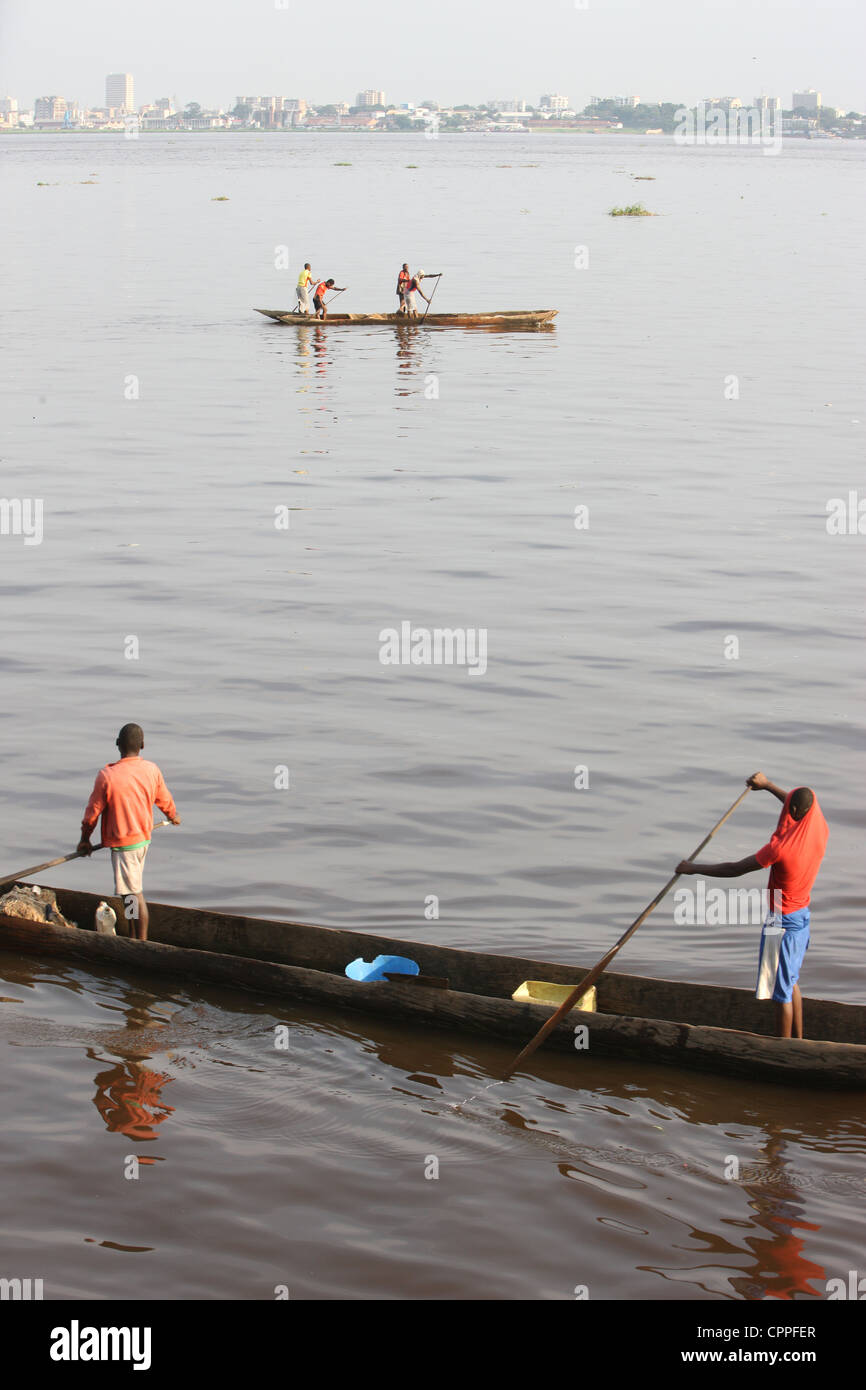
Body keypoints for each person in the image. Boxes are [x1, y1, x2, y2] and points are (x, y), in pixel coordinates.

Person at [676, 773, 829, 1039]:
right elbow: (792, 802)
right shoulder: (818, 825)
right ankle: (799, 1042)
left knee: (781, 993)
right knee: (789, 981)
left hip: (783, 922)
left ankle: (783, 1049)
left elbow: (735, 869)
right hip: (801, 915)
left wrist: (693, 869)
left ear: (792, 812)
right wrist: (768, 786)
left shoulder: (780, 848)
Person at [78, 724, 180, 943]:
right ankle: (134, 937)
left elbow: (92, 814)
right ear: (142, 746)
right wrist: (173, 815)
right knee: (129, 892)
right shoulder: (151, 770)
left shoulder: (107, 775)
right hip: (143, 840)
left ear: (117, 745)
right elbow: (164, 798)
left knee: (132, 894)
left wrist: (85, 839)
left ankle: (139, 942)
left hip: (126, 845)